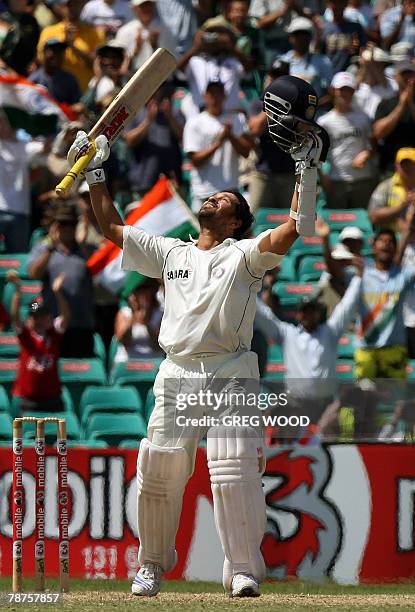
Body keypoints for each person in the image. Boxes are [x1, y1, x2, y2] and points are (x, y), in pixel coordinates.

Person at [66, 74, 326, 598]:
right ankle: (151, 566)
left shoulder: (246, 255)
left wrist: (307, 165)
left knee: (232, 472)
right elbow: (112, 229)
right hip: (177, 372)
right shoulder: (172, 252)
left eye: (224, 198)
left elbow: (298, 226)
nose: (212, 198)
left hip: (230, 371)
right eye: (212, 195)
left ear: (235, 222)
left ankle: (243, 570)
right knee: (159, 469)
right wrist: (96, 170)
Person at [255, 261, 362, 424]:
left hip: (326, 406)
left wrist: (358, 278)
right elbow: (262, 313)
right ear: (298, 314)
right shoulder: (287, 334)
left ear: (318, 313)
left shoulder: (330, 332)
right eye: (304, 311)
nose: (308, 315)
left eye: (312, 311)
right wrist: (244, 285)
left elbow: (347, 307)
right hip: (295, 406)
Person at [28, 202, 95, 358]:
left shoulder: (85, 250)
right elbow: (33, 274)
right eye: (63, 224)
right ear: (55, 226)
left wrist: (82, 244)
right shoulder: (44, 249)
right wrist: (51, 247)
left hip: (82, 324)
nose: (67, 228)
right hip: (54, 325)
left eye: (71, 224)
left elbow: (99, 272)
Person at [8, 270, 70, 413]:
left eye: (43, 316)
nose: (40, 320)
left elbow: (66, 316)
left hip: (53, 399)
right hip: (29, 401)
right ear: (31, 318)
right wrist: (18, 291)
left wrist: (58, 292)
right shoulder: (26, 336)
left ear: (48, 317)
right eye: (36, 316)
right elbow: (15, 316)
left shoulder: (53, 334)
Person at [183, 80, 251, 211]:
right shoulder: (194, 122)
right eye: (211, 94)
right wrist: (219, 142)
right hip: (204, 192)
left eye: (218, 94)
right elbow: (195, 160)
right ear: (205, 96)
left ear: (224, 96)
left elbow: (246, 152)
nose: (215, 98)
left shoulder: (236, 118)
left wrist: (230, 135)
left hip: (230, 190)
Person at [318, 71, 378, 208]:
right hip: (337, 181)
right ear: (333, 91)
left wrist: (367, 154)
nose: (345, 94)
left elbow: (374, 146)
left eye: (348, 90)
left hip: (362, 179)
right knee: (337, 223)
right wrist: (323, 178)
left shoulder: (364, 118)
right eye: (341, 89)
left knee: (362, 222)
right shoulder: (324, 122)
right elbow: (316, 154)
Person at [247, 60, 296, 211]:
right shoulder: (258, 103)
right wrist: (273, 102)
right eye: (274, 77)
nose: (278, 81)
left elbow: (305, 131)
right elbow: (255, 129)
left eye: (282, 77)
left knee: (291, 224)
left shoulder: (298, 104)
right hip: (264, 173)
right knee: (253, 221)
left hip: (289, 173)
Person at [125, 86, 184, 198]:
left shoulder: (172, 109)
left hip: (171, 181)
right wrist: (148, 120)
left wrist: (170, 117)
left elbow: (183, 136)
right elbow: (129, 141)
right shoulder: (135, 112)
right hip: (144, 183)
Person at [177, 25, 245, 118]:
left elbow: (249, 69)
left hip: (229, 118)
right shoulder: (195, 61)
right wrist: (196, 47)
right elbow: (178, 68)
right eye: (210, 35)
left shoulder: (233, 61)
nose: (214, 40)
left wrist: (231, 47)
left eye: (217, 36)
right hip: (200, 117)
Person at [37, 0, 105, 92]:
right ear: (61, 7)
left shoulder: (95, 33)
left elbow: (97, 64)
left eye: (76, 4)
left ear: (82, 6)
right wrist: (61, 46)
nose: (73, 9)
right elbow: (41, 61)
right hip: (57, 93)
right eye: (69, 5)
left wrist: (72, 46)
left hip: (84, 93)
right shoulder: (48, 32)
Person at [373, 61, 415, 175]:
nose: (407, 78)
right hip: (390, 168)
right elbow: (378, 133)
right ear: (396, 77)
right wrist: (401, 105)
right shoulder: (386, 103)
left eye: (410, 74)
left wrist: (410, 103)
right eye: (403, 74)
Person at [279, 17, 334, 101]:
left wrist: (312, 108)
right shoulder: (282, 61)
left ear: (310, 38)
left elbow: (332, 93)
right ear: (290, 38)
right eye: (297, 34)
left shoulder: (323, 62)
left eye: (305, 34)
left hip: (316, 112)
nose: (301, 38)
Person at [113, 0, 175, 71]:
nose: (146, 9)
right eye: (142, 6)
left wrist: (155, 46)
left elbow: (169, 62)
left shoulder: (166, 30)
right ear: (134, 8)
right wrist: (136, 50)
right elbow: (121, 66)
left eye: (149, 5)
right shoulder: (124, 31)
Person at [114, 279, 163, 363]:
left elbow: (158, 346)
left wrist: (146, 321)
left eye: (145, 290)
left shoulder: (160, 313)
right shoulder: (124, 313)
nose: (142, 295)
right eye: (139, 290)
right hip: (127, 361)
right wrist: (134, 315)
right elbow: (123, 341)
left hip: (153, 361)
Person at [369, 148, 415, 231]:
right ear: (396, 166)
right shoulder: (385, 187)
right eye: (403, 164)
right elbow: (374, 217)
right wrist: (403, 206)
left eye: (411, 164)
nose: (407, 167)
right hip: (391, 239)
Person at [29, 39, 81, 105]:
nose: (57, 55)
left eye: (60, 51)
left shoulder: (70, 80)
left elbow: (77, 104)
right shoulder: (34, 80)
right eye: (53, 50)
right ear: (44, 54)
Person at [320, 0, 367, 73]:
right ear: (328, 4)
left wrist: (357, 49)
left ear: (345, 4)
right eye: (333, 2)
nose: (337, 6)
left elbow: (363, 51)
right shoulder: (323, 28)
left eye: (340, 2)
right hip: (328, 73)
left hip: (348, 75)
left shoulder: (355, 28)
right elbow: (320, 53)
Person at [0, 0, 40, 75]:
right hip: (4, 73)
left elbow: (34, 49)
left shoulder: (32, 22)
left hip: (23, 74)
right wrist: (8, 71)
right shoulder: (2, 20)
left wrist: (33, 62)